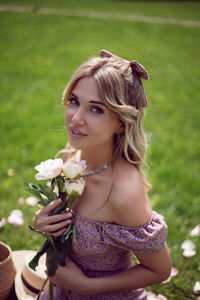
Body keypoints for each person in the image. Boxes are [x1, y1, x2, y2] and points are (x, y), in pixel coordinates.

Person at [33, 50, 171, 300]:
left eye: (95, 109)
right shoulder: (71, 158)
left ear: (121, 122)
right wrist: (44, 224)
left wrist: (86, 286)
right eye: (74, 101)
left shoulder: (123, 192)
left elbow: (159, 270)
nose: (75, 119)